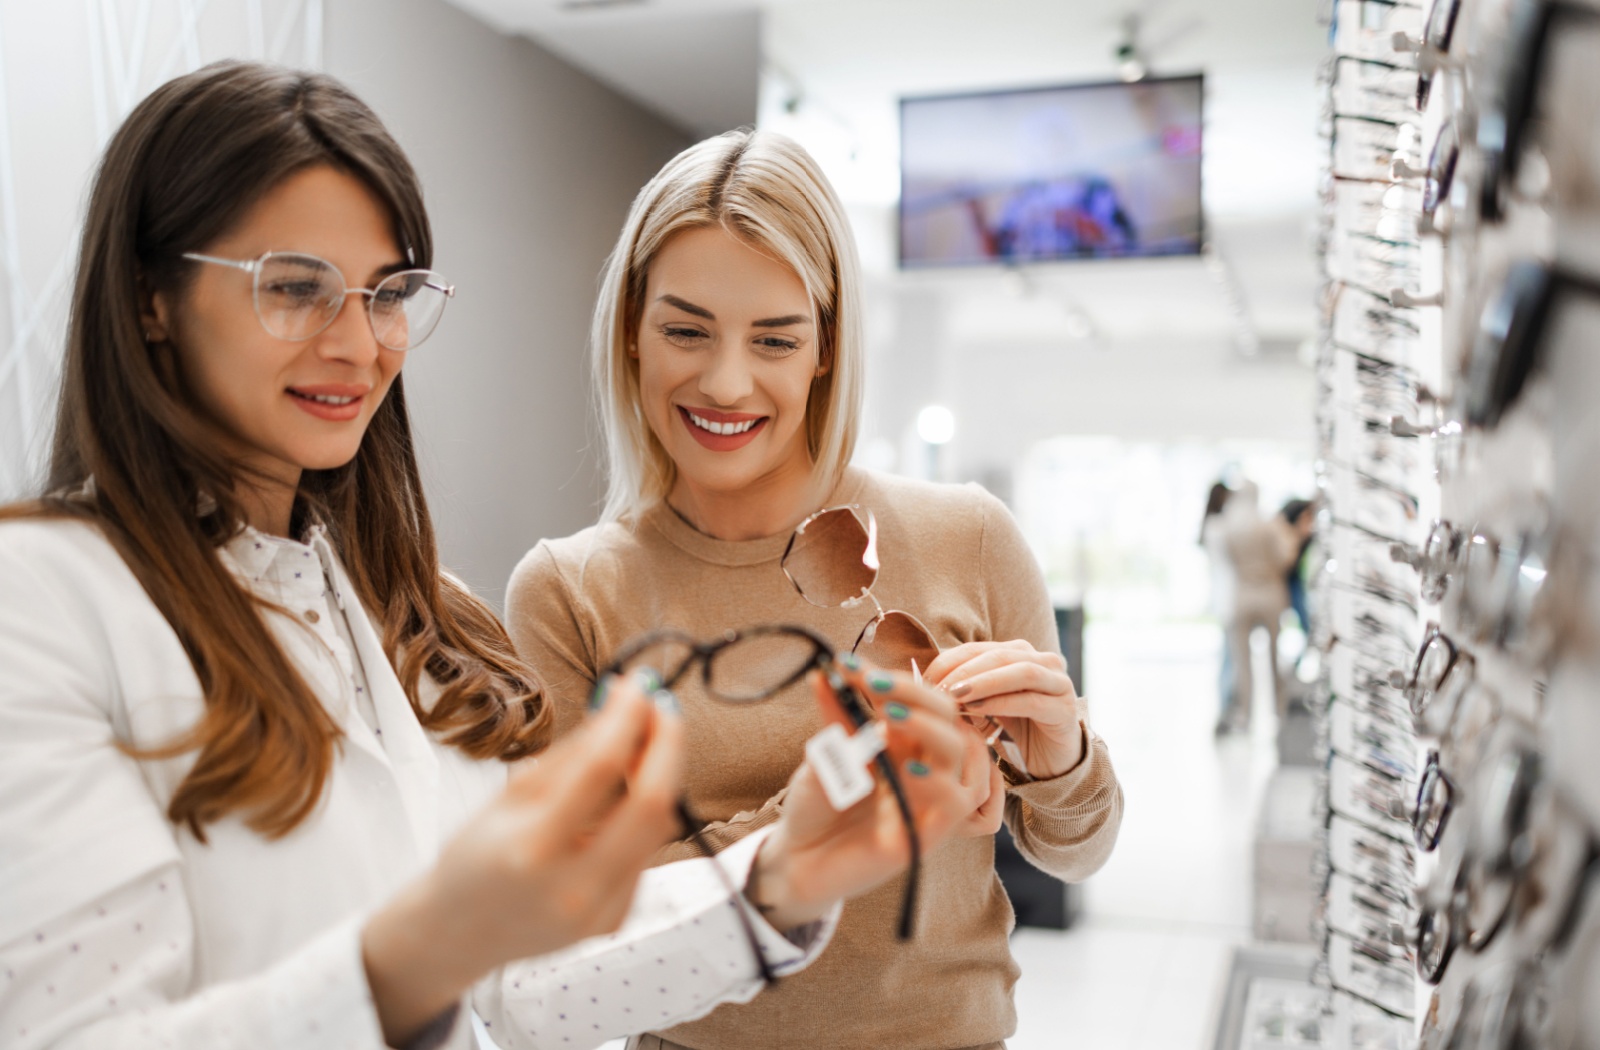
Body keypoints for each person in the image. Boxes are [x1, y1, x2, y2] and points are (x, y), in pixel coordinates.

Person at [0, 62, 975, 1050]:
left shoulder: (412, 609)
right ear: (149, 297)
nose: (358, 342)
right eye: (293, 287)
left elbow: (520, 979)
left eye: (387, 293)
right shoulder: (43, 599)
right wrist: (423, 947)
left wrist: (773, 882)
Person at [506, 129, 1124, 1050]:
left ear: (826, 346)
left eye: (774, 338)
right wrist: (820, 815)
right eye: (684, 330)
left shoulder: (969, 537)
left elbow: (1076, 849)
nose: (725, 380)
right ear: (631, 332)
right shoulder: (569, 591)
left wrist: (1062, 759)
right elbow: (576, 927)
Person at [1215, 480, 1300, 732]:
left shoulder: (1230, 529)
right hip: (1271, 592)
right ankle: (1279, 709)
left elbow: (1227, 559)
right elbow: (1286, 557)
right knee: (1275, 655)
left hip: (1243, 594)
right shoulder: (1269, 526)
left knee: (1243, 661)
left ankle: (1245, 714)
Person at [1199, 480, 1235, 732]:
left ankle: (1226, 710)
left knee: (1228, 658)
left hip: (1224, 596)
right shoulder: (1221, 527)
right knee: (1229, 660)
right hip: (1229, 596)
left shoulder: (1210, 525)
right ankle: (1225, 711)